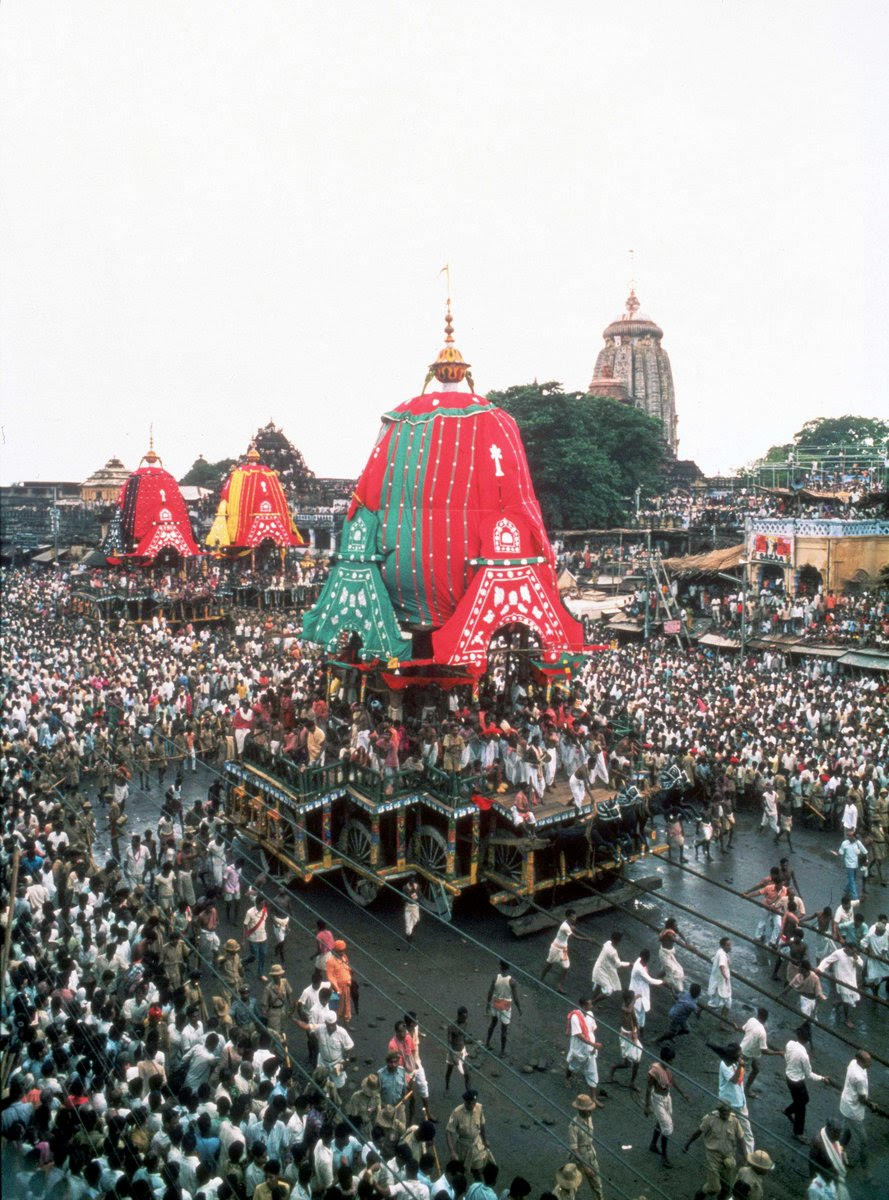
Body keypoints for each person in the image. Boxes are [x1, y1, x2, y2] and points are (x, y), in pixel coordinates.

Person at [683, 1100, 746, 1200]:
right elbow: (699, 1132)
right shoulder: (710, 1118)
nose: (725, 1115)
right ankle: (698, 1196)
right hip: (713, 1156)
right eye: (723, 1112)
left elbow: (741, 1139)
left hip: (728, 1157)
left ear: (730, 1111)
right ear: (719, 1111)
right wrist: (688, 1143)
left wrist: (745, 1156)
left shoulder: (734, 1121)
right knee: (714, 1188)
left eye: (727, 1112)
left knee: (726, 1188)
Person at [643, 1044, 689, 1168]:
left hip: (666, 1097)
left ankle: (653, 1144)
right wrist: (647, 1106)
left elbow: (672, 1081)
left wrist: (682, 1093)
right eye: (670, 1060)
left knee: (661, 1122)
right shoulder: (655, 1071)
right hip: (657, 1099)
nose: (672, 1062)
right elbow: (648, 1088)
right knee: (667, 1128)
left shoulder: (668, 1069)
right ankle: (664, 1156)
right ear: (664, 1059)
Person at [783, 1022, 830, 1142]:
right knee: (801, 1108)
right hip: (797, 1082)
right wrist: (822, 1078)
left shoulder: (790, 1044)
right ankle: (798, 1132)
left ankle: (788, 1111)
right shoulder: (804, 1055)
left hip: (789, 1077)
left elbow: (786, 1056)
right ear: (807, 1040)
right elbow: (809, 1074)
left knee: (803, 1100)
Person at [564, 997, 605, 1107]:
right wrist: (593, 1044)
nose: (591, 1006)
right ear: (583, 1005)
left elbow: (592, 1029)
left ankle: (593, 1098)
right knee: (573, 1066)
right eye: (589, 1004)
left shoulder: (590, 1014)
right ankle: (567, 1077)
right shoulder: (575, 1017)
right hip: (580, 1048)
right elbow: (579, 1035)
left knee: (593, 1072)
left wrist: (592, 1043)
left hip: (590, 1049)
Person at [838, 1050, 873, 1174]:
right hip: (853, 1111)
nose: (870, 1063)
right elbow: (862, 1099)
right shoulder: (860, 1078)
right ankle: (866, 1173)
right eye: (868, 1061)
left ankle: (838, 1151)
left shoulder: (853, 1063)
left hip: (845, 1104)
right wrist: (871, 1104)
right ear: (860, 1060)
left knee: (847, 1131)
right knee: (864, 1141)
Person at [540, 909, 592, 994]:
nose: (574, 919)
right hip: (556, 948)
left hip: (563, 949)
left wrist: (572, 928)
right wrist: (587, 939)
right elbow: (574, 937)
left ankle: (559, 985)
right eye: (572, 917)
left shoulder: (568, 924)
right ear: (568, 917)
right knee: (549, 964)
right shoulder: (565, 926)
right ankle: (541, 979)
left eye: (575, 917)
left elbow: (570, 929)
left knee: (566, 967)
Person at [446, 1090, 490, 1180]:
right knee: (458, 1171)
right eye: (470, 1103)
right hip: (462, 1147)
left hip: (476, 1145)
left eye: (474, 1102)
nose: (472, 1105)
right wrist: (452, 1152)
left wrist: (485, 1140)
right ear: (465, 1101)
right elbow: (448, 1132)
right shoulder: (457, 1112)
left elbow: (482, 1125)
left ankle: (478, 1190)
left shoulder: (479, 1108)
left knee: (478, 1170)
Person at [567, 1094, 604, 1200]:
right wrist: (586, 1167)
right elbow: (574, 1149)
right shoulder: (573, 1126)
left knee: (597, 1184)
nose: (590, 1111)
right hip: (579, 1159)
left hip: (591, 1155)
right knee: (573, 1186)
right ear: (580, 1110)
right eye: (587, 1110)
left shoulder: (589, 1118)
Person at [739, 1008, 783, 1096]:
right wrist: (778, 1053)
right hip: (748, 1053)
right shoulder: (762, 1032)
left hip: (745, 1049)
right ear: (766, 1019)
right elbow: (764, 1051)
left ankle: (746, 1089)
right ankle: (739, 1090)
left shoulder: (751, 1020)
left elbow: (743, 1029)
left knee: (755, 1069)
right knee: (741, 1073)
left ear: (758, 1015)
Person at [608, 990, 643, 1092]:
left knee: (637, 1061)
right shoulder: (624, 1007)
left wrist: (637, 1029)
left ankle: (632, 1082)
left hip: (632, 1036)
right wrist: (635, 998)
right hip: (626, 1037)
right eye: (632, 1000)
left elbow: (634, 1017)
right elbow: (628, 1011)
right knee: (628, 1064)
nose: (634, 1001)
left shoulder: (630, 1007)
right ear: (628, 1000)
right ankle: (613, 1068)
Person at [485, 960, 521, 1057]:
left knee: (493, 1024)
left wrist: (488, 1003)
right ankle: (502, 1052)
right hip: (505, 1006)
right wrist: (519, 1009)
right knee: (504, 1030)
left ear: (500, 967)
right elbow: (516, 998)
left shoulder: (495, 978)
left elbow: (490, 992)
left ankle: (487, 1043)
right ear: (508, 968)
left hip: (495, 1004)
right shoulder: (512, 981)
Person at [590, 931, 629, 1001]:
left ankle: (591, 1001)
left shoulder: (607, 943)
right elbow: (618, 964)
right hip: (601, 970)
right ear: (618, 941)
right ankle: (592, 1003)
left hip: (600, 968)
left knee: (598, 985)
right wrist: (629, 964)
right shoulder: (613, 952)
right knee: (609, 991)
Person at [707, 936, 734, 1023]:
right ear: (723, 946)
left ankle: (722, 1022)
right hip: (721, 983)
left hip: (719, 982)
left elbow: (713, 960)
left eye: (730, 945)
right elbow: (722, 967)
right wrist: (726, 977)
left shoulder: (720, 952)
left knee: (723, 1002)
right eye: (728, 945)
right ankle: (722, 1023)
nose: (730, 947)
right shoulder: (722, 955)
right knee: (722, 1003)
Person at [834, 833, 867, 901]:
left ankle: (846, 888)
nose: (850, 838)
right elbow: (841, 852)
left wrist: (865, 859)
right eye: (849, 836)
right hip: (849, 865)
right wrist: (837, 854)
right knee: (852, 880)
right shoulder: (844, 843)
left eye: (852, 837)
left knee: (853, 879)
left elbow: (865, 852)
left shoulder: (858, 843)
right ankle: (855, 897)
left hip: (856, 864)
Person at [243, 893, 269, 979]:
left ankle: (260, 974)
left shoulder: (265, 911)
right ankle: (243, 962)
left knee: (263, 956)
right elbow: (245, 925)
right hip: (253, 939)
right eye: (261, 903)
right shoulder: (250, 912)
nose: (263, 905)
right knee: (254, 956)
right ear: (257, 903)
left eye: (264, 903)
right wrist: (243, 939)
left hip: (263, 937)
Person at [445, 1006, 470, 1092]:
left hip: (462, 1051)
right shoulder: (452, 1026)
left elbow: (463, 1037)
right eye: (463, 1017)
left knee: (467, 1075)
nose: (465, 1019)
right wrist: (452, 1055)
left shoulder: (465, 1023)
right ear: (458, 1016)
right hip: (453, 1052)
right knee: (449, 1071)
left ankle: (468, 1091)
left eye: (466, 1017)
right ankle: (447, 1086)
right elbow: (448, 1043)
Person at [404, 876, 421, 945]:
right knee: (408, 923)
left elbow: (419, 894)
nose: (412, 882)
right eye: (411, 881)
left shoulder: (417, 886)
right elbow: (404, 897)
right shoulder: (405, 887)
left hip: (415, 906)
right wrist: (411, 893)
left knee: (416, 919)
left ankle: (411, 930)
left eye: (413, 881)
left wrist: (416, 896)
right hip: (408, 906)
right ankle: (409, 936)